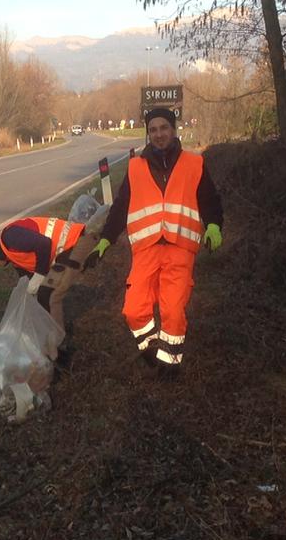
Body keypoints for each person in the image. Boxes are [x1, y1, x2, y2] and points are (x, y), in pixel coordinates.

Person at [93, 107, 223, 377]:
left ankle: (170, 365)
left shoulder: (194, 163)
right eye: (153, 130)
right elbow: (120, 207)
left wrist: (213, 225)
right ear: (148, 133)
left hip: (180, 248)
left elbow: (209, 199)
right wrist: (106, 238)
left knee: (173, 311)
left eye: (164, 128)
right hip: (146, 249)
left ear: (173, 130)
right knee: (133, 309)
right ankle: (151, 349)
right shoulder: (135, 167)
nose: (159, 134)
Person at [0, 214, 88, 327]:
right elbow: (26, 278)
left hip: (74, 242)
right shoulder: (10, 253)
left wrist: (39, 275)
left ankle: (57, 340)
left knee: (49, 295)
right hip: (64, 249)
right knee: (42, 295)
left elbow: (44, 244)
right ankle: (50, 331)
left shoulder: (10, 237)